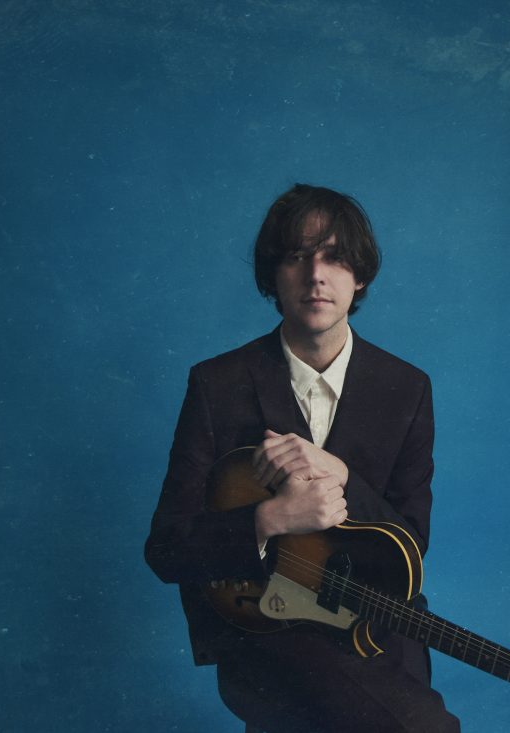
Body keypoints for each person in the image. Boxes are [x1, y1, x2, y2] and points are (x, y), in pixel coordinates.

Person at [145, 184, 459, 733]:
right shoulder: (218, 384)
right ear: (274, 275)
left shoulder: (407, 388)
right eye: (297, 256)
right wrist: (269, 519)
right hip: (268, 633)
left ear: (359, 276)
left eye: (335, 258)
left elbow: (411, 542)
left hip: (376, 628)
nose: (316, 275)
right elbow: (167, 550)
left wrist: (343, 477)